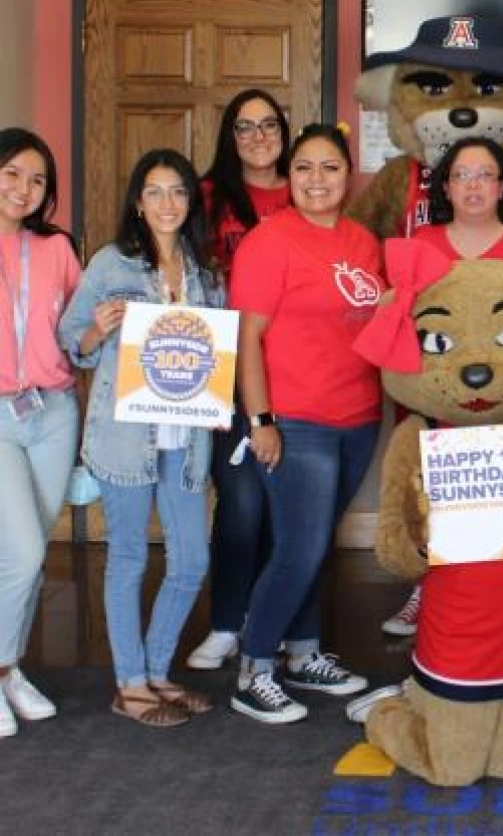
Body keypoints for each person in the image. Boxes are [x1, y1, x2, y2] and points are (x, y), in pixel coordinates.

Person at [59, 148, 226, 727]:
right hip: (126, 439)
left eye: (178, 191)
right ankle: (128, 683)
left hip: (186, 441)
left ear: (190, 201)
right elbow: (68, 339)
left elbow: (213, 355)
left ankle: (157, 671)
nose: (167, 203)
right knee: (128, 557)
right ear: (137, 201)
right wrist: (93, 331)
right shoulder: (112, 263)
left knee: (190, 561)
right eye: (154, 192)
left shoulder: (204, 273)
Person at [228, 123, 384, 724]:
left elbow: (369, 320)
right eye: (304, 169)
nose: (317, 180)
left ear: (349, 175)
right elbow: (249, 337)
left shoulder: (364, 241)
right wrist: (260, 419)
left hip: (359, 418)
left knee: (318, 544)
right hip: (297, 420)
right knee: (301, 546)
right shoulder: (270, 242)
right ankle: (254, 667)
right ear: (289, 178)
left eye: (330, 168)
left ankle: (304, 652)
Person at [380, 136, 503, 638]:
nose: (473, 186)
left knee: (502, 528)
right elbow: (402, 335)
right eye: (461, 175)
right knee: (434, 511)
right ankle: (427, 595)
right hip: (441, 413)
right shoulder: (422, 247)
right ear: (446, 187)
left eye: (484, 175)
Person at [187, 89, 292, 671]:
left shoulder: (307, 189)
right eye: (244, 127)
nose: (257, 137)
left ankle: (266, 620)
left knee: (285, 508)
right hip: (225, 373)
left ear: (284, 130)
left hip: (295, 375)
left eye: (268, 125)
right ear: (230, 136)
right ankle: (227, 621)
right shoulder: (207, 196)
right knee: (243, 502)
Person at [0, 128, 81, 737]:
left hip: (53, 412)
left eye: (37, 180)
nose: (24, 190)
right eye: (12, 175)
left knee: (27, 557)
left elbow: (76, 333)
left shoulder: (57, 249)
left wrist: (107, 327)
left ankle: (11, 670)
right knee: (24, 555)